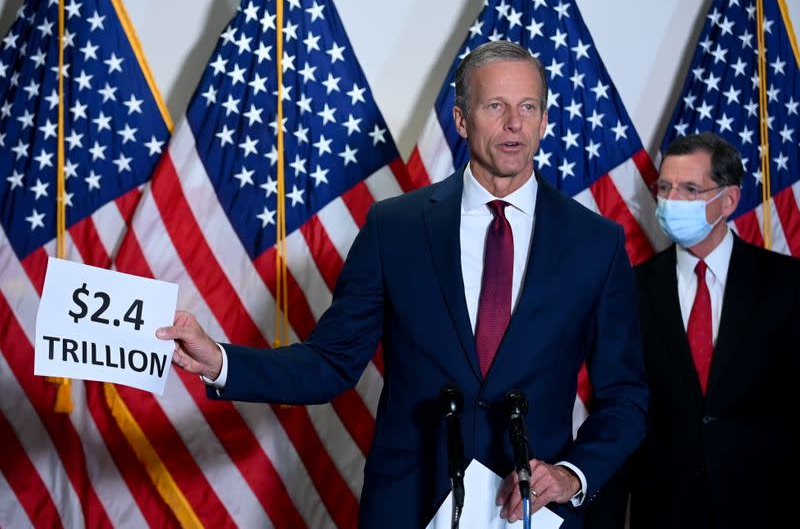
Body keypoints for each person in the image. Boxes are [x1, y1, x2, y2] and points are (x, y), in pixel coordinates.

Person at [157, 40, 648, 528]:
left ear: (544, 121)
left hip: (530, 513)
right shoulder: (396, 228)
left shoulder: (596, 244)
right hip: (409, 507)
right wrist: (221, 361)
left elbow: (625, 396)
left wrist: (571, 474)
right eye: (495, 106)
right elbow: (330, 362)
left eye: (528, 107)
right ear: (461, 119)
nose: (513, 123)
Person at [624, 132, 800, 528]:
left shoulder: (785, 284)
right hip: (665, 507)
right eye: (665, 187)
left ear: (730, 199)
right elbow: (621, 404)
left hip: (766, 506)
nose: (672, 201)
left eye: (690, 189)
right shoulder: (631, 289)